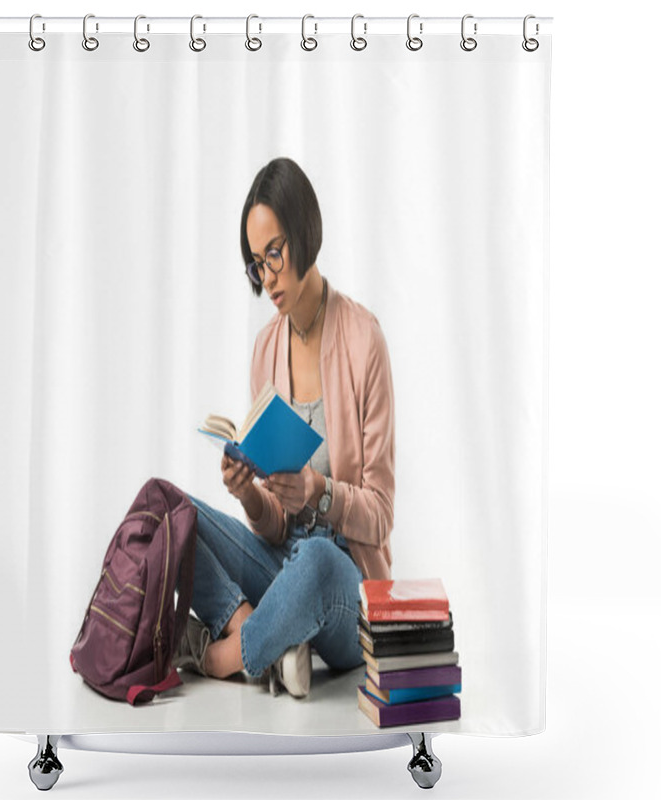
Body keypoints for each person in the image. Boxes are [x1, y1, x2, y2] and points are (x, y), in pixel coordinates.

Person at [173, 157, 396, 698]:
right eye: (256, 262)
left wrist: (319, 494)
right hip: (282, 564)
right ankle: (277, 642)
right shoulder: (266, 349)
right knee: (173, 511)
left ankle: (223, 654)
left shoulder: (364, 340)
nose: (267, 275)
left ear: (304, 233)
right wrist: (249, 493)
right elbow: (274, 528)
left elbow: (382, 513)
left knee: (318, 558)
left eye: (274, 252)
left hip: (344, 583)